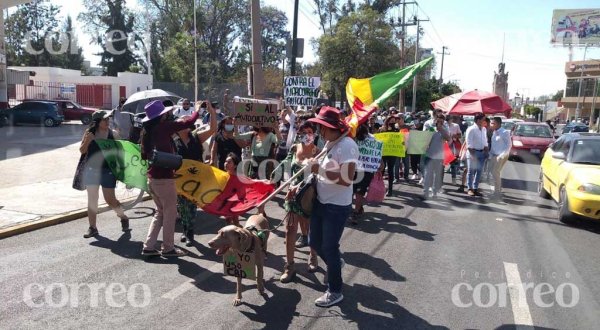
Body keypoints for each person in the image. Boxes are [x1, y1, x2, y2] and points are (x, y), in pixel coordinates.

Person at [307, 106, 358, 308]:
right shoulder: (330, 142)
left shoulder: (347, 145)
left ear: (332, 127)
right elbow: (320, 168)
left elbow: (347, 179)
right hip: (321, 201)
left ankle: (335, 291)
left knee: (329, 247)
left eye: (322, 127)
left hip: (336, 206)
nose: (320, 131)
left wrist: (319, 169)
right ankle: (334, 263)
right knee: (314, 242)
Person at [140, 100, 201, 257]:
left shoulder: (147, 132)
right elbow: (190, 121)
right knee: (170, 213)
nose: (168, 114)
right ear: (161, 116)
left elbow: (144, 155)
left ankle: (149, 246)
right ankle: (168, 248)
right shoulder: (164, 127)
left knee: (160, 212)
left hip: (152, 179)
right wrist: (198, 109)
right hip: (164, 179)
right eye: (166, 113)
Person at [279, 122, 320, 283]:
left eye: (310, 132)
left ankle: (313, 255)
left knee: (309, 228)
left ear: (314, 134)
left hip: (309, 195)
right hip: (293, 196)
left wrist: (298, 186)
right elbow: (287, 168)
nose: (307, 135)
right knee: (290, 230)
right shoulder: (294, 148)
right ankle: (289, 266)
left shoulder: (318, 152)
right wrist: (286, 182)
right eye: (304, 132)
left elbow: (316, 175)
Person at [79, 110, 130, 238]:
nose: (108, 121)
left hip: (108, 170)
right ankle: (92, 227)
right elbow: (82, 150)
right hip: (91, 170)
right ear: (97, 122)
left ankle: (122, 216)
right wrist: (87, 141)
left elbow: (121, 152)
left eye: (108, 119)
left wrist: (122, 170)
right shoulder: (89, 133)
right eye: (105, 120)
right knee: (92, 199)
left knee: (110, 200)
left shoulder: (113, 134)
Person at [173, 104, 217, 246]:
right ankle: (186, 230)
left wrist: (212, 113)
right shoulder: (174, 142)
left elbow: (213, 129)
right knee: (182, 206)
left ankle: (190, 233)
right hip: (181, 180)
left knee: (191, 206)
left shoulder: (196, 138)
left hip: (196, 178)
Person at [351, 123, 381, 225]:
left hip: (366, 170)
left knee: (359, 191)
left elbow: (377, 152)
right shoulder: (352, 138)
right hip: (354, 169)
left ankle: (355, 212)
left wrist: (379, 162)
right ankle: (357, 208)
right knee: (354, 190)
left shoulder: (373, 140)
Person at [423, 114, 450, 199]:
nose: (440, 123)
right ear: (435, 120)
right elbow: (424, 139)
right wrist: (432, 129)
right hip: (429, 155)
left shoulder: (444, 129)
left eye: (442, 121)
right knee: (427, 175)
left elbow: (448, 138)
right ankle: (426, 193)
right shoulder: (430, 128)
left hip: (439, 156)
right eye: (438, 121)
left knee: (437, 176)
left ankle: (434, 194)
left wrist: (441, 128)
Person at [465, 113, 488, 197]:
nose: (484, 121)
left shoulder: (484, 129)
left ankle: (475, 188)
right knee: (471, 171)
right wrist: (472, 155)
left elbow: (485, 141)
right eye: (483, 119)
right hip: (473, 152)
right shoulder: (471, 129)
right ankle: (470, 189)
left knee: (479, 172)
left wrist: (486, 151)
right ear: (478, 120)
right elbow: (469, 143)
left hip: (482, 153)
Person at [489, 117, 511, 200]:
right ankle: (497, 189)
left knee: (495, 172)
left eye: (493, 123)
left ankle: (497, 192)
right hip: (494, 155)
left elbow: (509, 145)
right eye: (491, 123)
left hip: (502, 155)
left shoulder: (505, 132)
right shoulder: (494, 132)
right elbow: (494, 145)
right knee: (492, 173)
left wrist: (502, 156)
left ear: (498, 124)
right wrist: (490, 155)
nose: (491, 125)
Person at [381, 115, 400, 196]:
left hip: (392, 152)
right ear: (387, 121)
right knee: (381, 169)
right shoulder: (382, 129)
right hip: (384, 152)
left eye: (393, 121)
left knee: (390, 170)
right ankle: (380, 187)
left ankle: (390, 189)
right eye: (390, 121)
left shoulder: (396, 129)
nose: (392, 122)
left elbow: (399, 139)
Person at [448, 116, 463, 185]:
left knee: (453, 164)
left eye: (451, 119)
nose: (451, 120)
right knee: (440, 165)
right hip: (442, 146)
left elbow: (460, 136)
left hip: (452, 146)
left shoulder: (455, 126)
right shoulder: (441, 125)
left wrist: (454, 136)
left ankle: (453, 179)